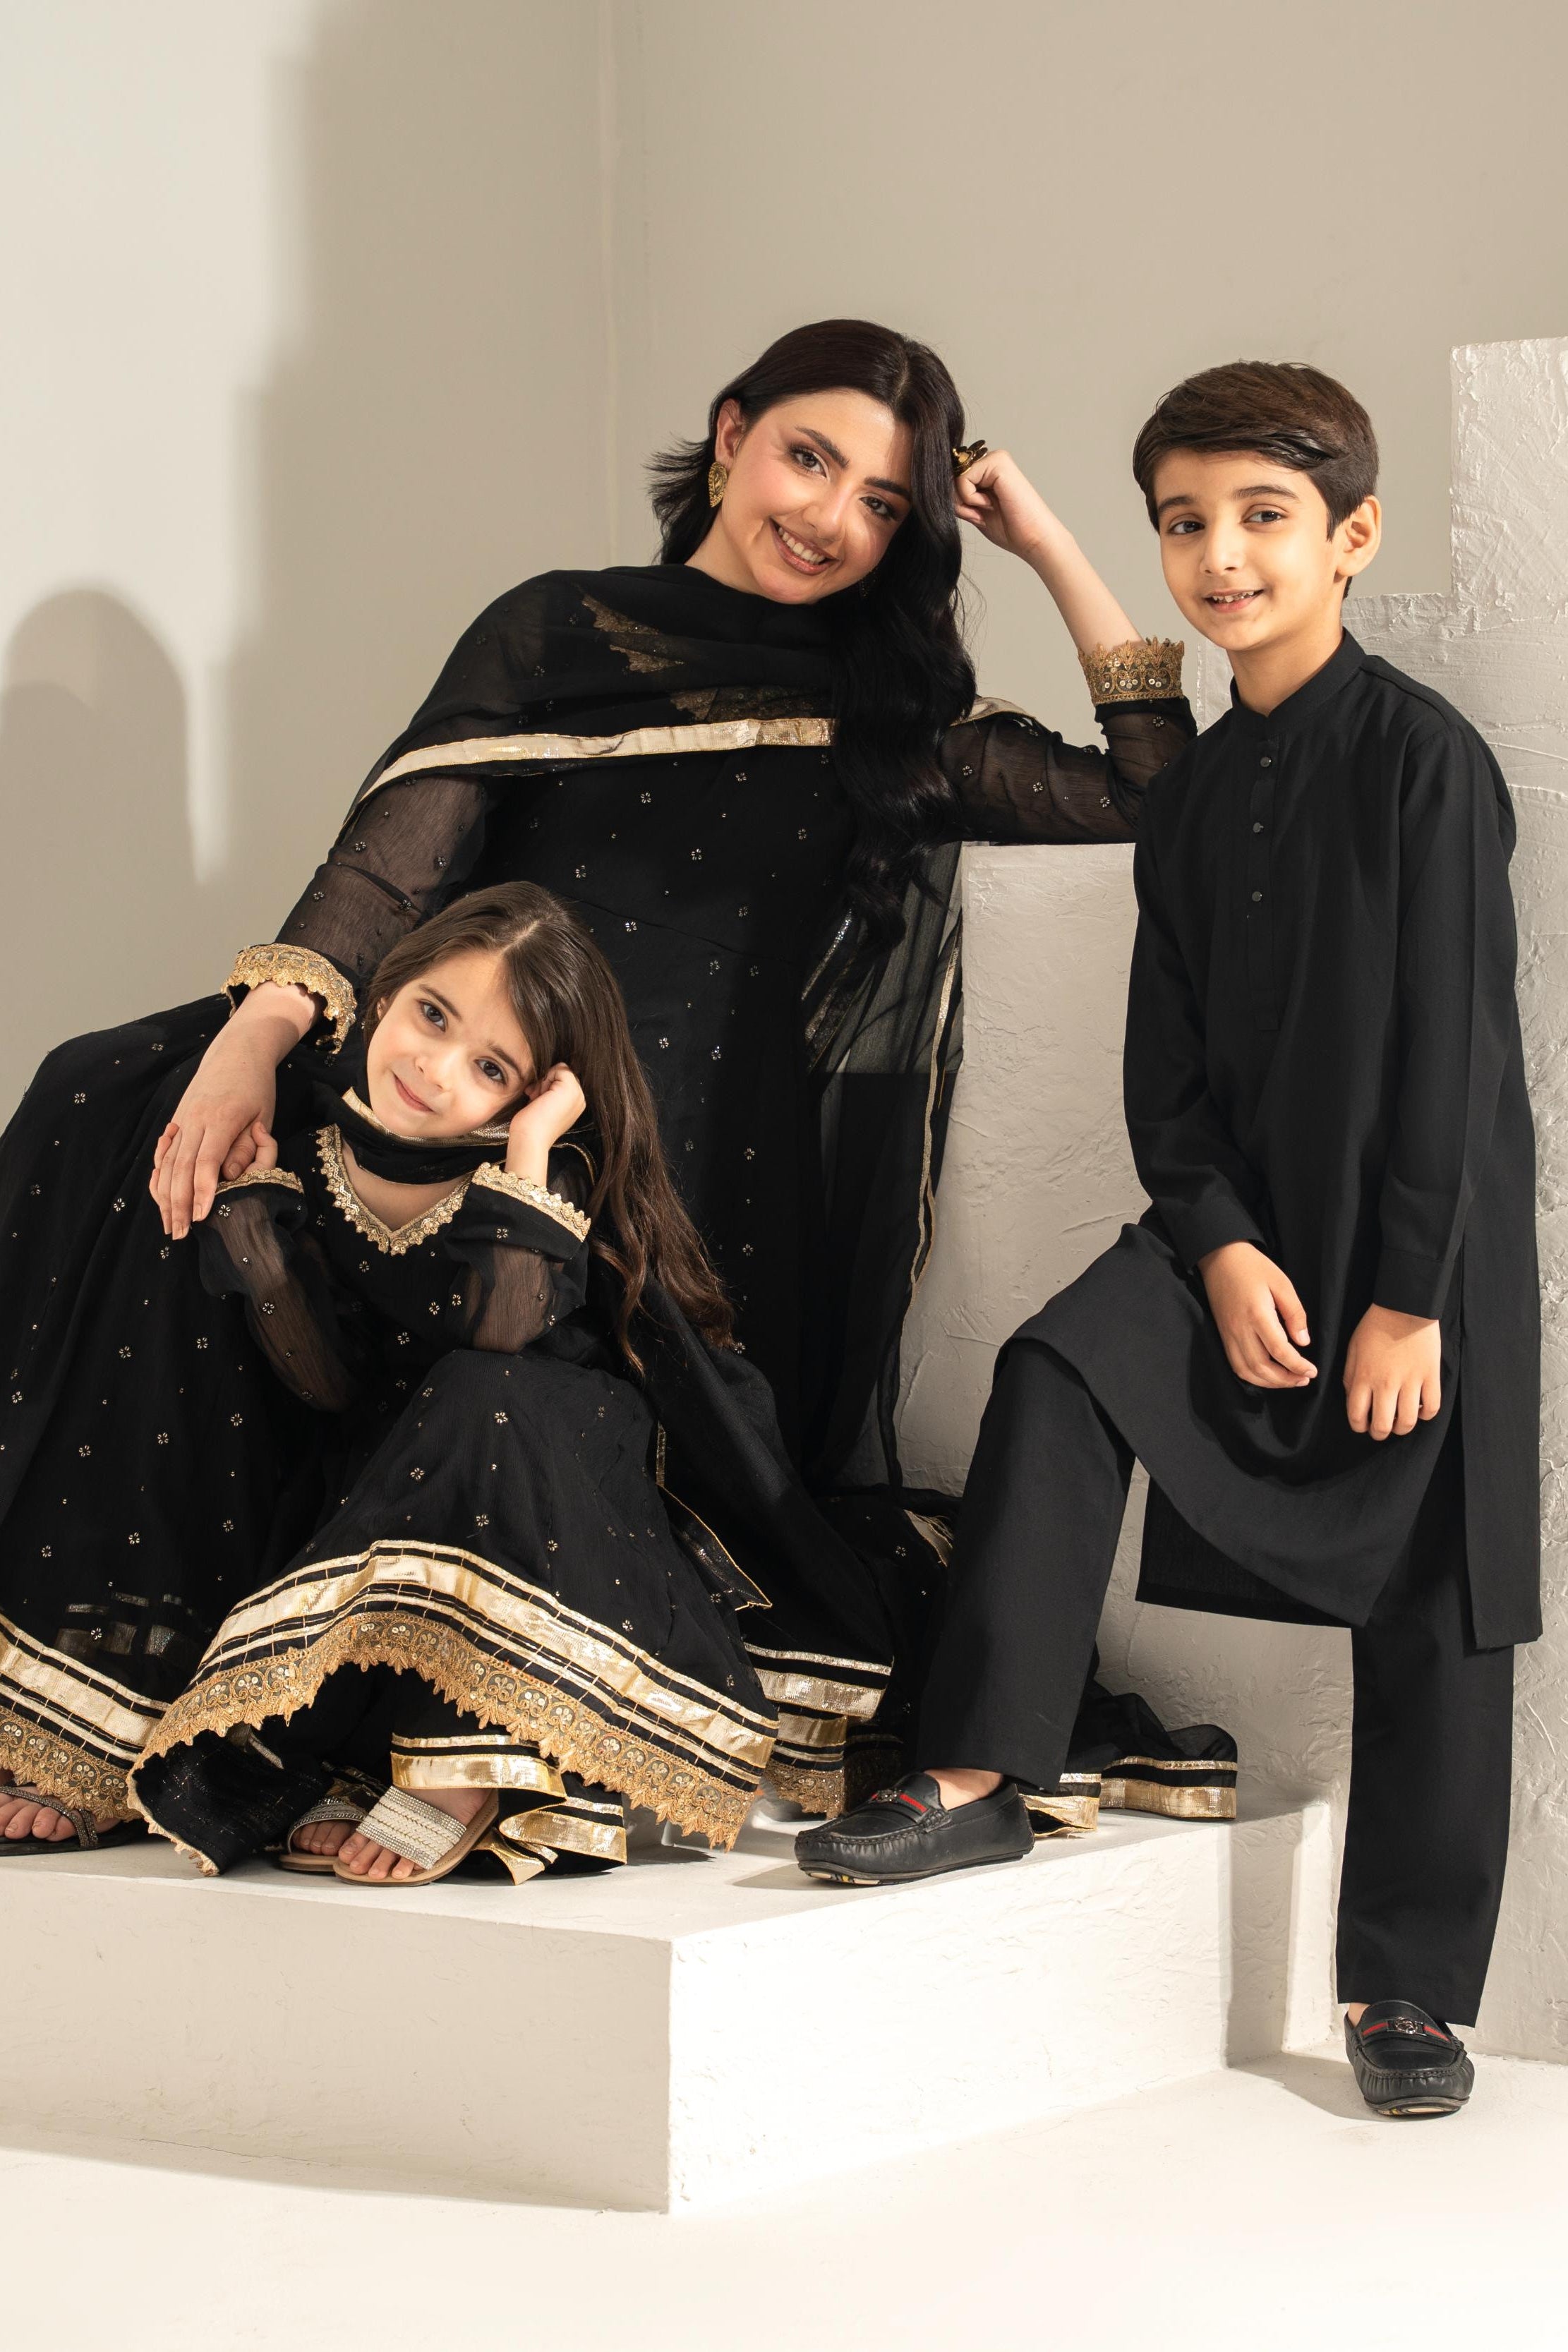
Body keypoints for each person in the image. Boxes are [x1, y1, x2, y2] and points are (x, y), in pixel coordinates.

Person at [0, 315, 1195, 1849]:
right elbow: (390, 867)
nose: (830, 517)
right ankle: (93, 1697)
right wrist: (258, 1031)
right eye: (807, 457)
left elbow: (1160, 800)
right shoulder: (555, 631)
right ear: (729, 431)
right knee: (118, 1101)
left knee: (478, 1321)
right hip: (439, 1072)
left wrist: (1044, 545)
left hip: (647, 1146)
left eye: (882, 502)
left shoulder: (889, 712)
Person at [796, 362, 1538, 2123]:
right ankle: (976, 1763)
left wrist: (1404, 1300)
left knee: (1436, 1603)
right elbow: (1168, 1060)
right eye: (1184, 523)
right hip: (1239, 1226)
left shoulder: (1426, 764)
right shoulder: (1197, 794)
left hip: (1413, 1258)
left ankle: (1405, 1989)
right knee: (1058, 1366)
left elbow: (1456, 1052)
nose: (1220, 556)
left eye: (1261, 518)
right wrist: (1206, 1244)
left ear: (1351, 538)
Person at [122, 881, 893, 1880]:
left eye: (489, 1066)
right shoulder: (311, 1153)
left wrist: (528, 1145)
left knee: (481, 1395)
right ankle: (371, 1754)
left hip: (551, 1468)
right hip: (404, 1468)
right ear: (388, 986)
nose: (435, 1069)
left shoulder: (541, 1171)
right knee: (374, 1461)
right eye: (431, 1017)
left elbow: (504, 1331)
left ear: (532, 1092)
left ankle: (465, 1770)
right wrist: (262, 1238)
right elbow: (321, 1382)